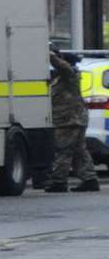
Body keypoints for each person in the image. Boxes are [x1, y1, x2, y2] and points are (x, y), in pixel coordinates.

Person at [43, 49, 98, 193]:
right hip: (73, 119)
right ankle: (90, 179)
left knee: (63, 150)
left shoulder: (70, 74)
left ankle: (59, 182)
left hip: (69, 120)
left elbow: (63, 67)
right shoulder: (61, 77)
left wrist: (49, 55)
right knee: (79, 151)